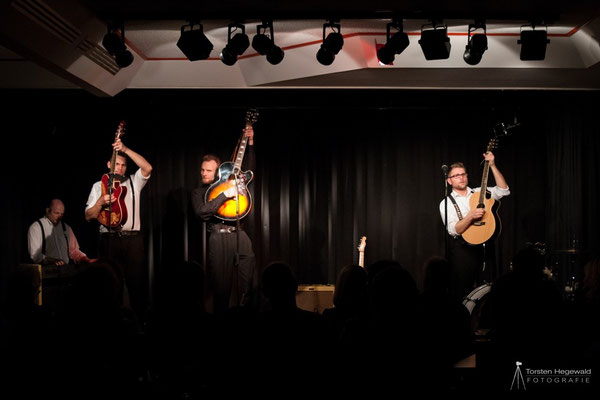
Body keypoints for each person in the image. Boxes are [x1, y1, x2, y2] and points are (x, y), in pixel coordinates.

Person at [85, 136, 152, 323]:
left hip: (133, 240)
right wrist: (100, 203)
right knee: (110, 283)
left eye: (123, 165)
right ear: (109, 164)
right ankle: (110, 322)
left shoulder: (133, 182)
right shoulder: (98, 186)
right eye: (117, 164)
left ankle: (138, 322)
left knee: (136, 284)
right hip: (109, 239)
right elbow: (88, 216)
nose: (120, 168)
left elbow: (148, 168)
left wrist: (126, 149)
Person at [191, 125, 256, 314]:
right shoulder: (199, 192)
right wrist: (224, 196)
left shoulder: (228, 182)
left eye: (208, 171)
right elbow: (202, 213)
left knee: (247, 285)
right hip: (218, 237)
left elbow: (248, 172)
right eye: (202, 170)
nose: (204, 173)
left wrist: (250, 142)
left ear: (218, 172)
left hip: (240, 234)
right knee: (221, 289)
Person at [439, 152, 510, 301]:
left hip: (486, 246)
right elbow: (454, 230)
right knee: (463, 291)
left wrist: (492, 165)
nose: (462, 177)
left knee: (489, 290)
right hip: (463, 250)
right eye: (456, 175)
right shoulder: (446, 203)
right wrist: (471, 216)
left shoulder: (479, 192)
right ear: (449, 181)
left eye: (463, 174)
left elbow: (503, 190)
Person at [28, 198, 91, 265]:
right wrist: (51, 260)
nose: (59, 217)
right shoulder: (36, 227)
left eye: (61, 214)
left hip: (66, 271)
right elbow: (34, 255)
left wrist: (83, 258)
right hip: (46, 271)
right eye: (56, 213)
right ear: (47, 210)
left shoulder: (66, 228)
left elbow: (74, 251)